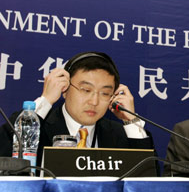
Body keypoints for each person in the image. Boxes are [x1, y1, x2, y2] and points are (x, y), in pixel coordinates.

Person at [0, 51, 155, 170]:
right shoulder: (40, 124)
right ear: (65, 89)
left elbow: (146, 178)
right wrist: (45, 101)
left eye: (105, 93)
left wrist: (131, 121)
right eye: (86, 90)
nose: (94, 101)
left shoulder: (119, 134)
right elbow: (6, 162)